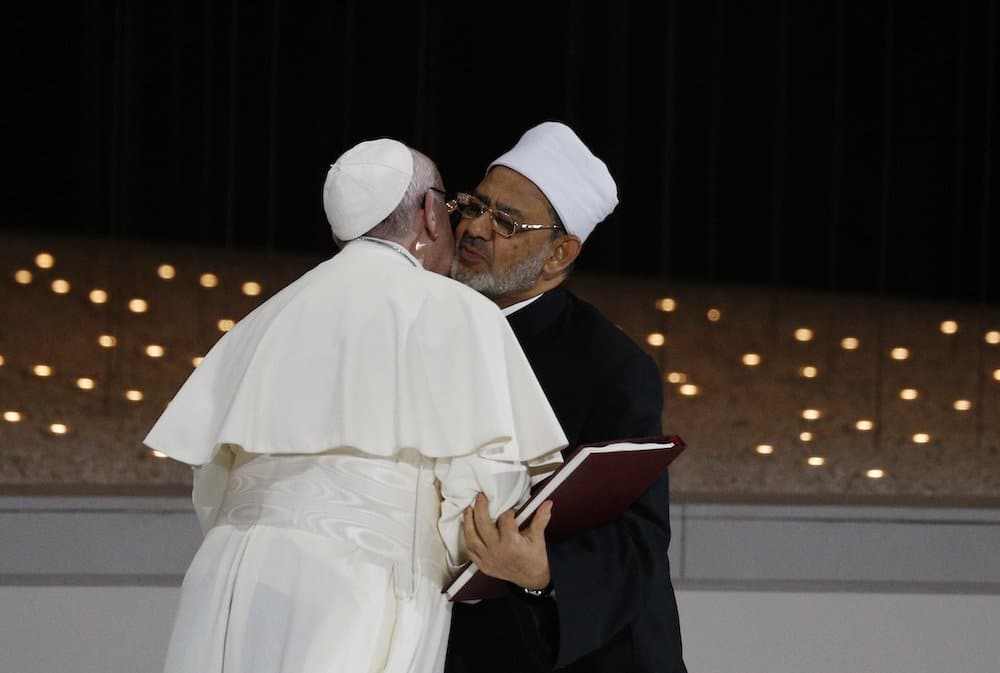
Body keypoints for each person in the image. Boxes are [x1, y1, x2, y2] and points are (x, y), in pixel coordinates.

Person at [144, 138, 567, 673]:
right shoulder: (458, 312)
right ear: (427, 216)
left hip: (226, 582)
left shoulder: (267, 316)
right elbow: (481, 509)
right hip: (359, 589)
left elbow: (211, 489)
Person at [445, 122, 686, 673]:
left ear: (560, 255)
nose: (476, 229)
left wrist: (542, 570)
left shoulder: (612, 367)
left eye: (505, 221)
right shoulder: (434, 321)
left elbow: (638, 546)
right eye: (474, 207)